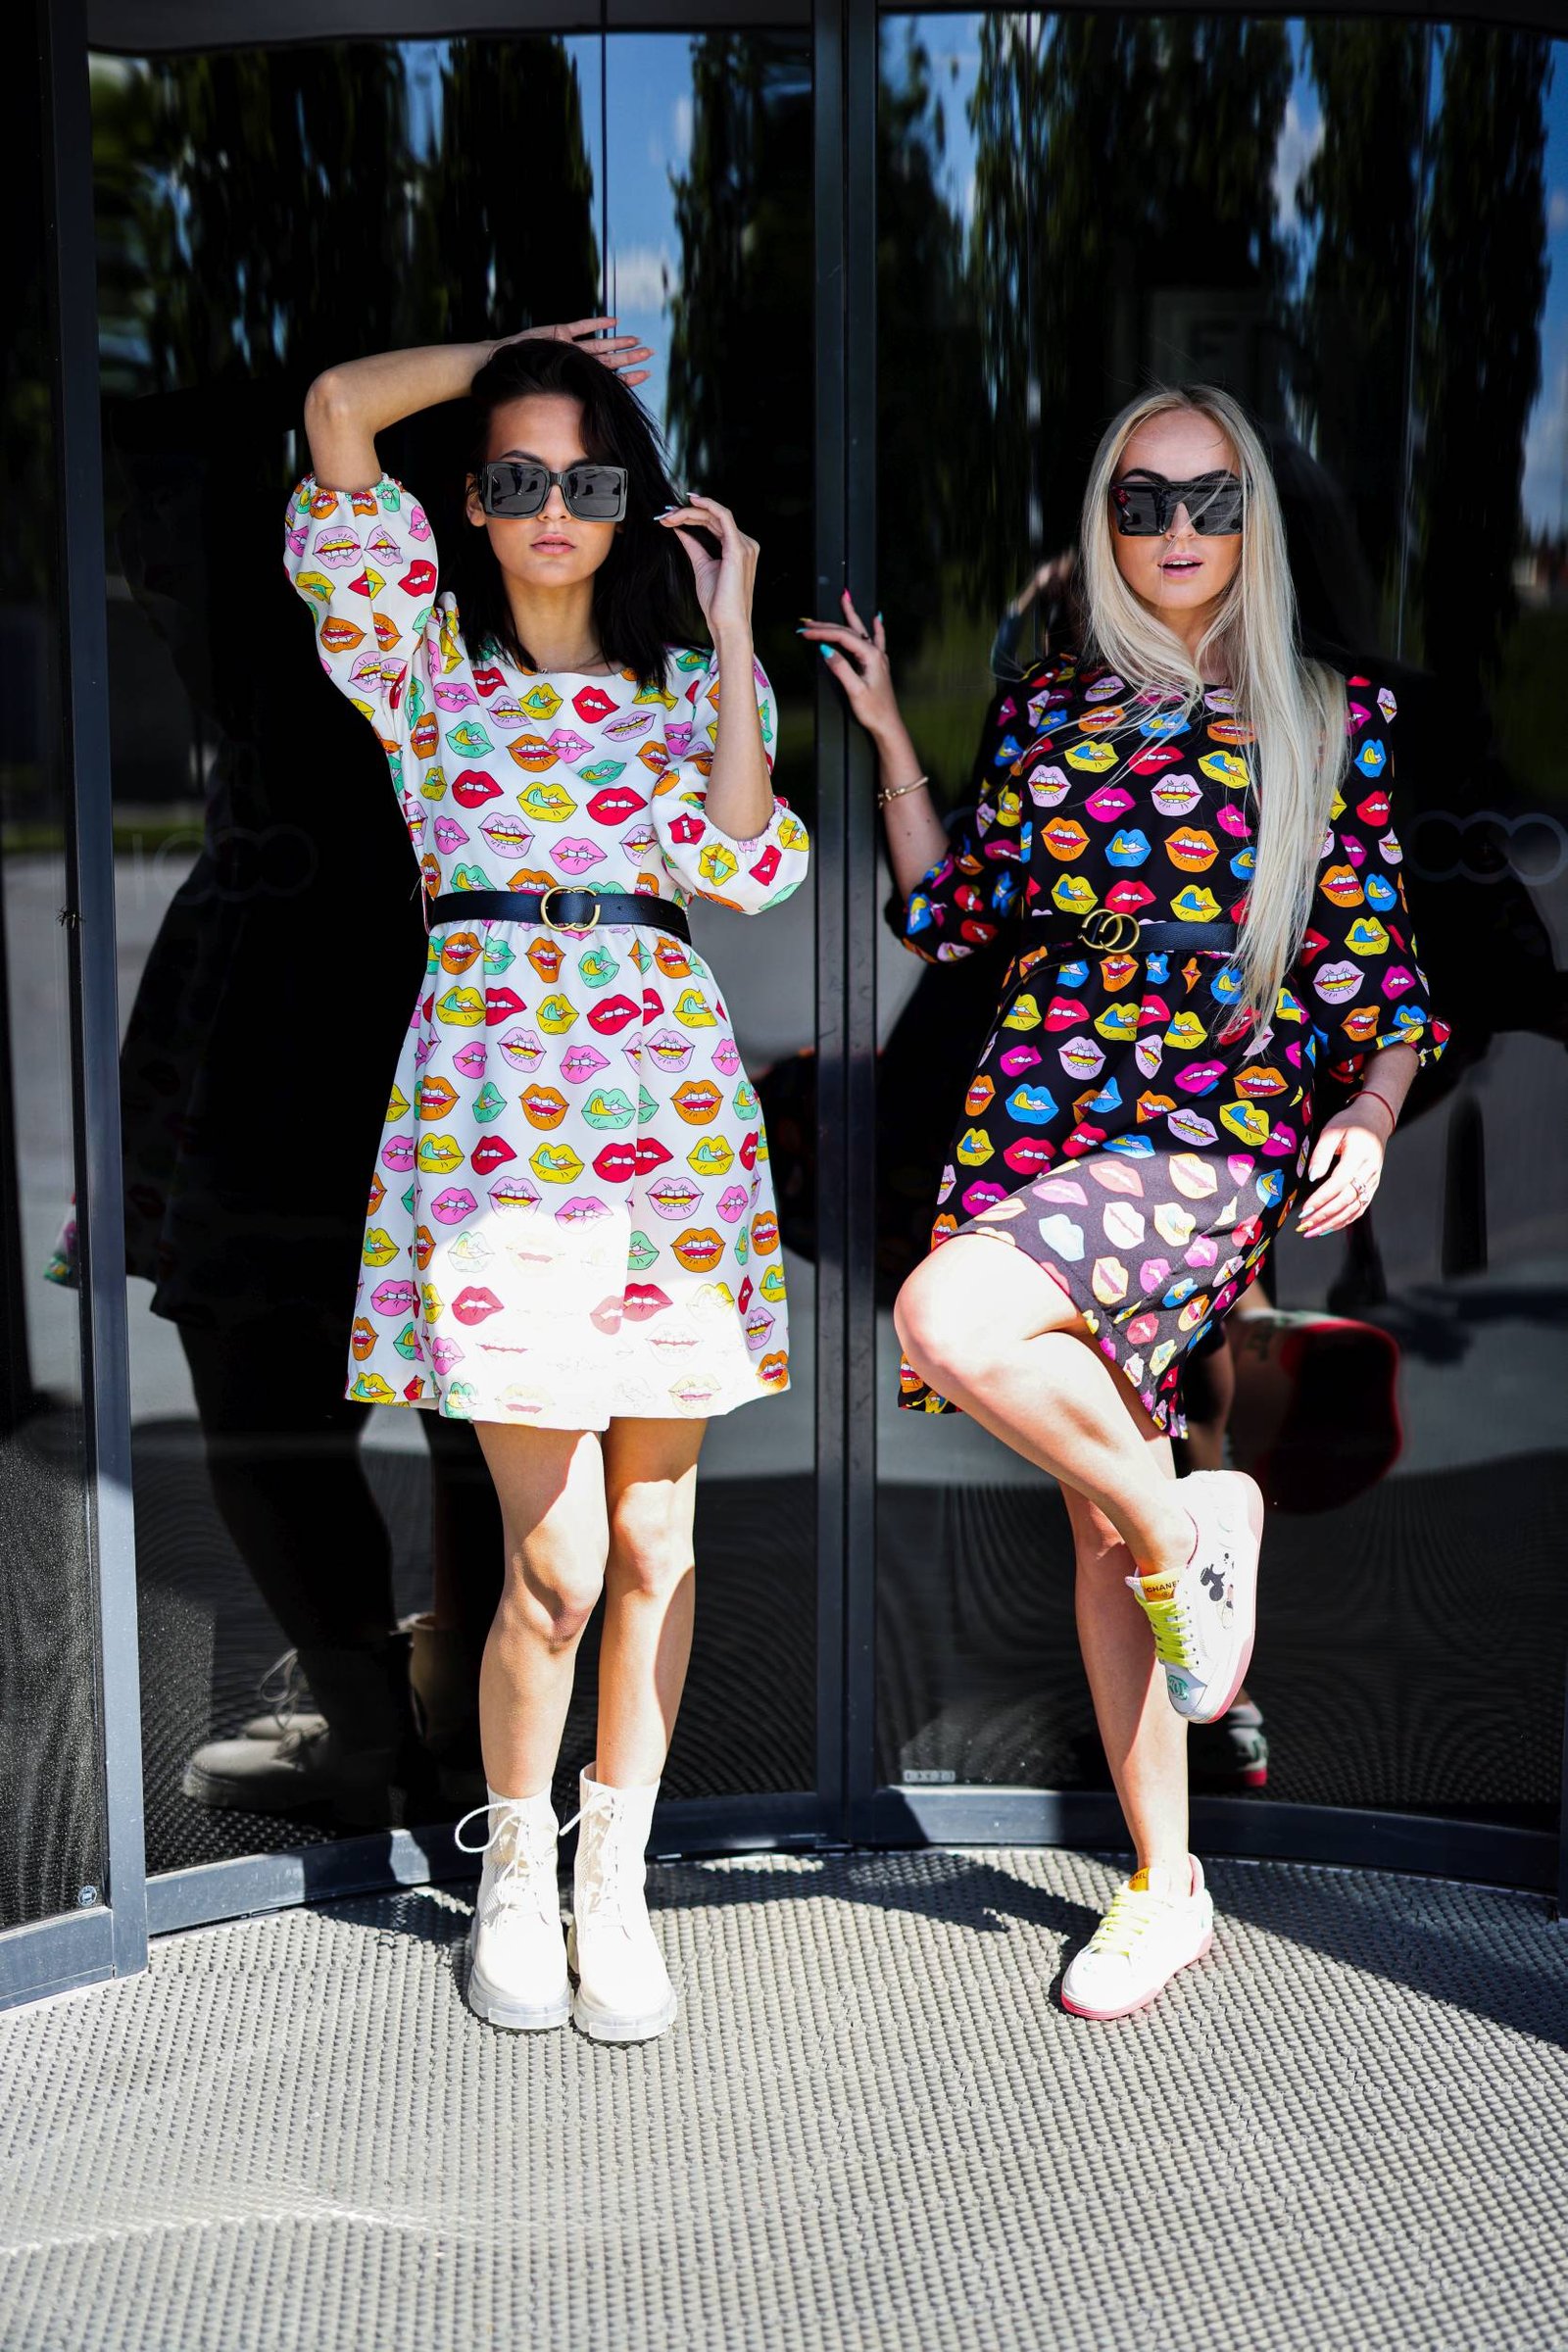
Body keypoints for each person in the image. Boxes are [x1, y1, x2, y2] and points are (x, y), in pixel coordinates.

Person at [807, 382, 1446, 2020]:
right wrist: (891, 736)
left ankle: (1185, 1529)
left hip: (1212, 1113)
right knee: (1103, 1526)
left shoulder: (1335, 710)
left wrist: (1370, 1112)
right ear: (1106, 524)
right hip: (1041, 1100)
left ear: (1255, 521)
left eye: (1210, 499)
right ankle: (1169, 1881)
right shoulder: (1049, 707)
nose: (1176, 530)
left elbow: (1375, 964)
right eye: (1143, 501)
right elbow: (959, 914)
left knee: (950, 1317)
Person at [286, 317, 808, 2040]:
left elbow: (746, 867)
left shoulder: (684, 688)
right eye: (515, 480)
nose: (553, 509)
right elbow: (338, 409)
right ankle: (515, 1867)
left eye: (585, 481)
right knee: (559, 1564)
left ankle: (615, 1883)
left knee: (655, 1544)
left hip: (674, 1142)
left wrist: (734, 635)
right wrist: (507, 351)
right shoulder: (420, 668)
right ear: (473, 505)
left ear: (630, 504)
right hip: (494, 1144)